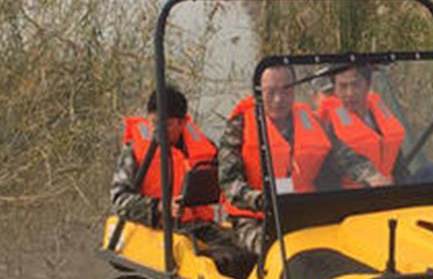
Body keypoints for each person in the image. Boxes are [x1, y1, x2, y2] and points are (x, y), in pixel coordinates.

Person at [219, 65, 388, 254]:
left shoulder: (310, 121)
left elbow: (342, 155)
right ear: (258, 92)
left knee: (349, 247)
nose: (278, 99)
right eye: (271, 92)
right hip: (254, 217)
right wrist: (259, 199)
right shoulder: (240, 125)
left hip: (302, 211)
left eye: (286, 90)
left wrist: (371, 175)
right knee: (276, 252)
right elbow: (228, 181)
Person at [111, 85, 217, 227]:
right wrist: (160, 207)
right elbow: (119, 200)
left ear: (182, 123)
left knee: (236, 247)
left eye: (166, 125)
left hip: (198, 227)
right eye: (154, 123)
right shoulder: (134, 152)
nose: (157, 130)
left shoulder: (207, 148)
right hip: (154, 230)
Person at [318, 64, 409, 187]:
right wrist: (370, 175)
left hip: (389, 190)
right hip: (354, 197)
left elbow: (398, 165)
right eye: (343, 86)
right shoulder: (330, 122)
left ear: (368, 86)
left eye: (355, 85)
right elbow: (343, 157)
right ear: (335, 89)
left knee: (432, 172)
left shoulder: (379, 115)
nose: (349, 93)